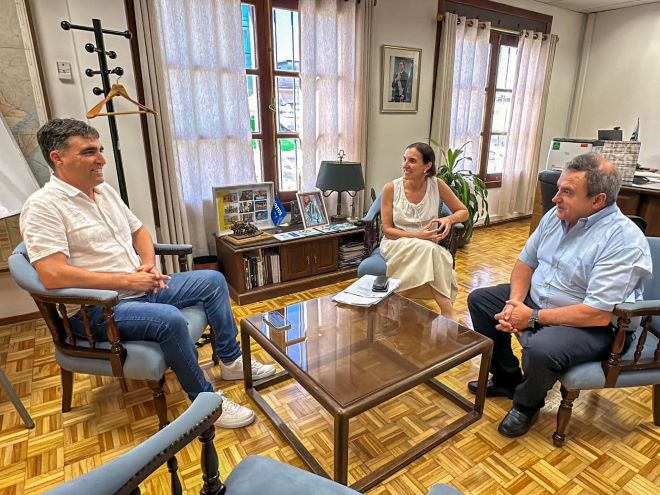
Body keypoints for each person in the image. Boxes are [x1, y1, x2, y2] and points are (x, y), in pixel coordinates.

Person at [20, 118, 276, 429]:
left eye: (100, 150)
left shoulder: (103, 191)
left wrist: (148, 263)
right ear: (57, 158)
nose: (101, 160)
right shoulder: (42, 207)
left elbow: (139, 230)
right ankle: (205, 403)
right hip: (97, 311)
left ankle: (231, 360)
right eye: (89, 152)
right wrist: (128, 280)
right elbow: (53, 275)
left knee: (212, 280)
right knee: (170, 319)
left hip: (139, 287)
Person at [467, 153, 652, 438]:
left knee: (541, 349)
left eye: (567, 192)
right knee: (481, 301)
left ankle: (527, 405)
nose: (555, 199)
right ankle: (507, 378)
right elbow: (525, 263)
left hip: (596, 325)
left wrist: (532, 317)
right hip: (541, 300)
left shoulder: (622, 240)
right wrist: (515, 302)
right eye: (559, 189)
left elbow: (597, 313)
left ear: (598, 200)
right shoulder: (556, 216)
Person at [380, 142, 469, 320]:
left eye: (412, 161)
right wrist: (417, 236)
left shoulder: (437, 185)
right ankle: (447, 312)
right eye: (404, 159)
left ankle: (394, 299)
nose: (405, 165)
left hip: (427, 246)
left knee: (430, 251)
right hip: (396, 243)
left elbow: (463, 212)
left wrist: (448, 219)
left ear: (427, 166)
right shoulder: (391, 188)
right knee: (435, 254)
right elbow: (388, 230)